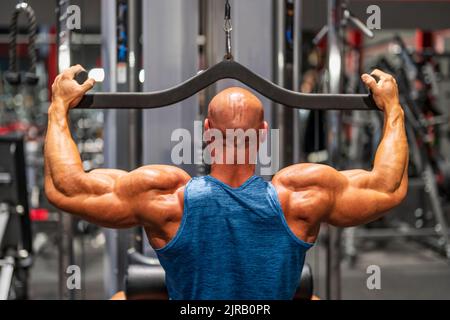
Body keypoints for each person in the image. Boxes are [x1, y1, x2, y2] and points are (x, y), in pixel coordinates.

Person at [45, 65, 408, 300]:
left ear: (206, 133)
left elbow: (67, 187)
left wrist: (58, 109)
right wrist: (393, 109)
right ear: (263, 135)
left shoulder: (169, 197)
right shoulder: (300, 195)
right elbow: (386, 186)